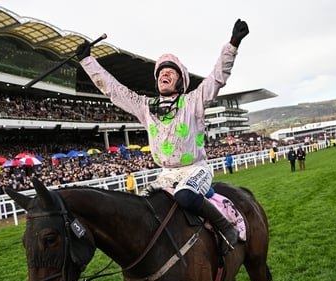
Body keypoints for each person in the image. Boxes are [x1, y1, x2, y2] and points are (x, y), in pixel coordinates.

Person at [75, 19, 250, 251]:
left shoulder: (193, 101)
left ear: (181, 82)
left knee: (186, 196)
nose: (164, 74)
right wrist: (87, 61)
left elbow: (217, 77)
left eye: (170, 72)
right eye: (161, 72)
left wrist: (233, 44)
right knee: (141, 208)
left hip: (195, 170)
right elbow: (114, 90)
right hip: (166, 174)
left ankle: (226, 227)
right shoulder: (144, 106)